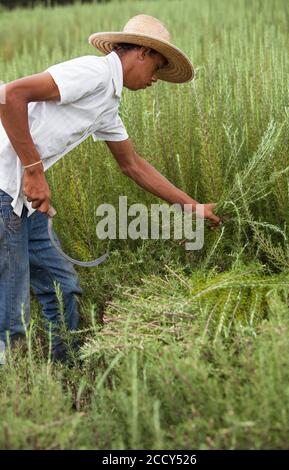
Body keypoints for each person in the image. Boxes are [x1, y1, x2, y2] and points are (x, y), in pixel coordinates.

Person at [0, 14, 221, 362]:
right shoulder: (93, 73)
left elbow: (132, 165)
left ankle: (67, 370)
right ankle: (14, 394)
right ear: (142, 53)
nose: (155, 80)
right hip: (4, 192)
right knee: (11, 313)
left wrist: (191, 206)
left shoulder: (108, 105)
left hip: (24, 202)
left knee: (63, 288)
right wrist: (33, 170)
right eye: (157, 68)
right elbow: (10, 95)